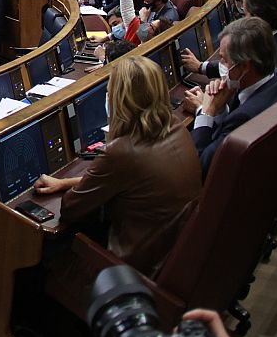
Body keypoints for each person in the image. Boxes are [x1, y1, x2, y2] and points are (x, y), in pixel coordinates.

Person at [34, 56, 202, 274]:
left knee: (43, 250)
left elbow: (70, 209)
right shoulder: (175, 126)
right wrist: (65, 182)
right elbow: (125, 179)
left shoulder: (121, 152)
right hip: (170, 255)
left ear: (119, 99)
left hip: (131, 269)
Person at [187, 17, 277, 175]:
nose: (221, 65)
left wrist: (206, 111)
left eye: (224, 60)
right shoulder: (276, 77)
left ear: (245, 67)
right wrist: (220, 109)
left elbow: (200, 167)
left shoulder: (246, 117)